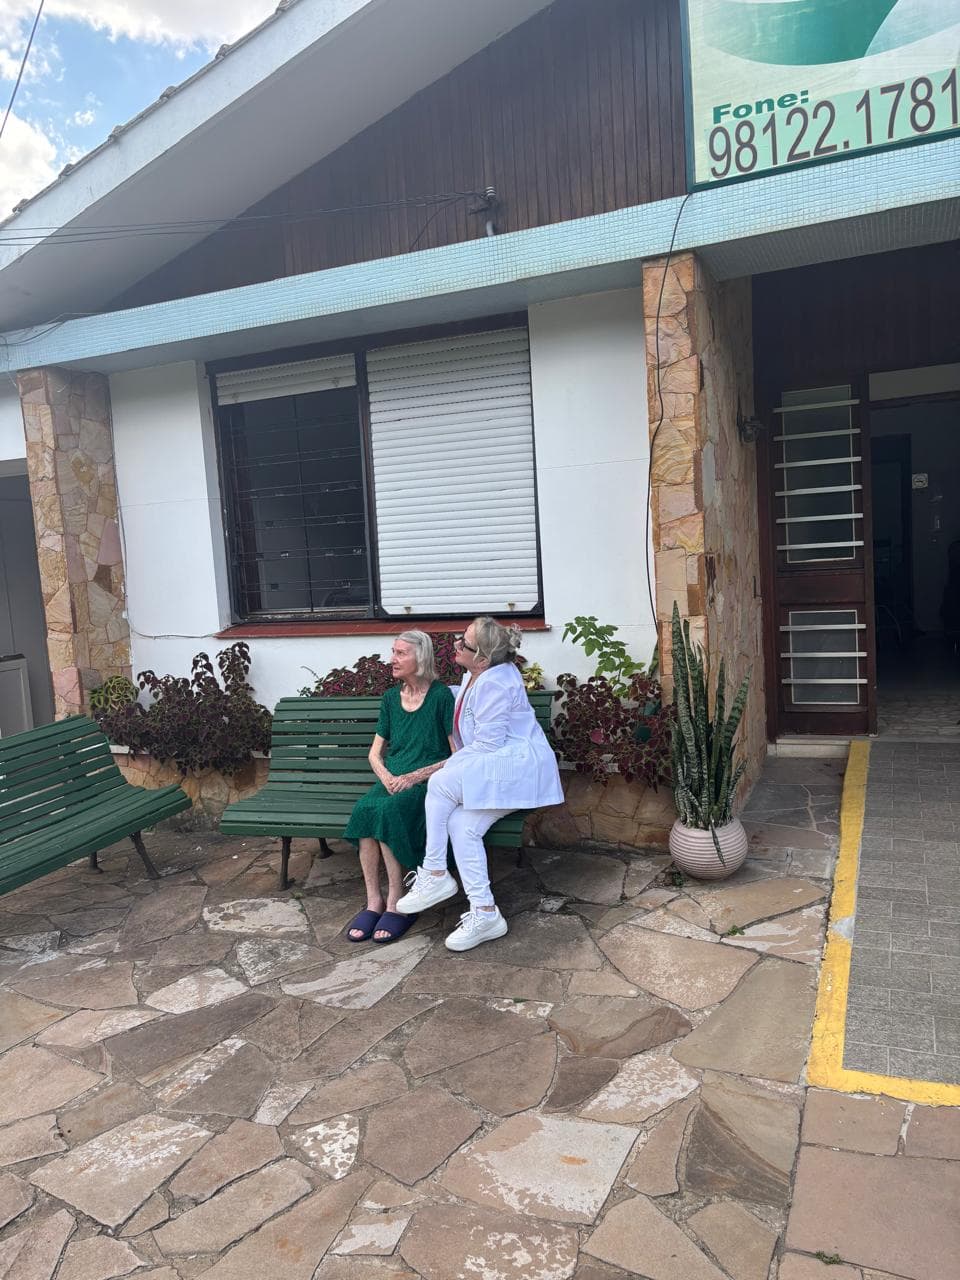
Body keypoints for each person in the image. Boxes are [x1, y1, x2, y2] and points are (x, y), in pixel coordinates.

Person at [395, 615, 563, 951]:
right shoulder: (475, 674)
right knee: (461, 825)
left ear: (483, 658)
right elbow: (466, 709)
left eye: (464, 643)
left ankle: (435, 872)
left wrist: (429, 771)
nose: (456, 644)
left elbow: (487, 744)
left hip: (516, 770)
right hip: (499, 769)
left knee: (440, 784)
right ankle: (485, 913)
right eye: (461, 637)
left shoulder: (496, 682)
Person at [343, 631, 454, 943]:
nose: (393, 659)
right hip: (392, 779)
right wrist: (387, 777)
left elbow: (456, 756)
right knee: (366, 809)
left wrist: (415, 777)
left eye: (401, 653)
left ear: (421, 658)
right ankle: (373, 902)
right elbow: (374, 753)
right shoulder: (391, 698)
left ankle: (397, 903)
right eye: (393, 651)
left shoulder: (441, 696)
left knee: (389, 811)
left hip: (428, 781)